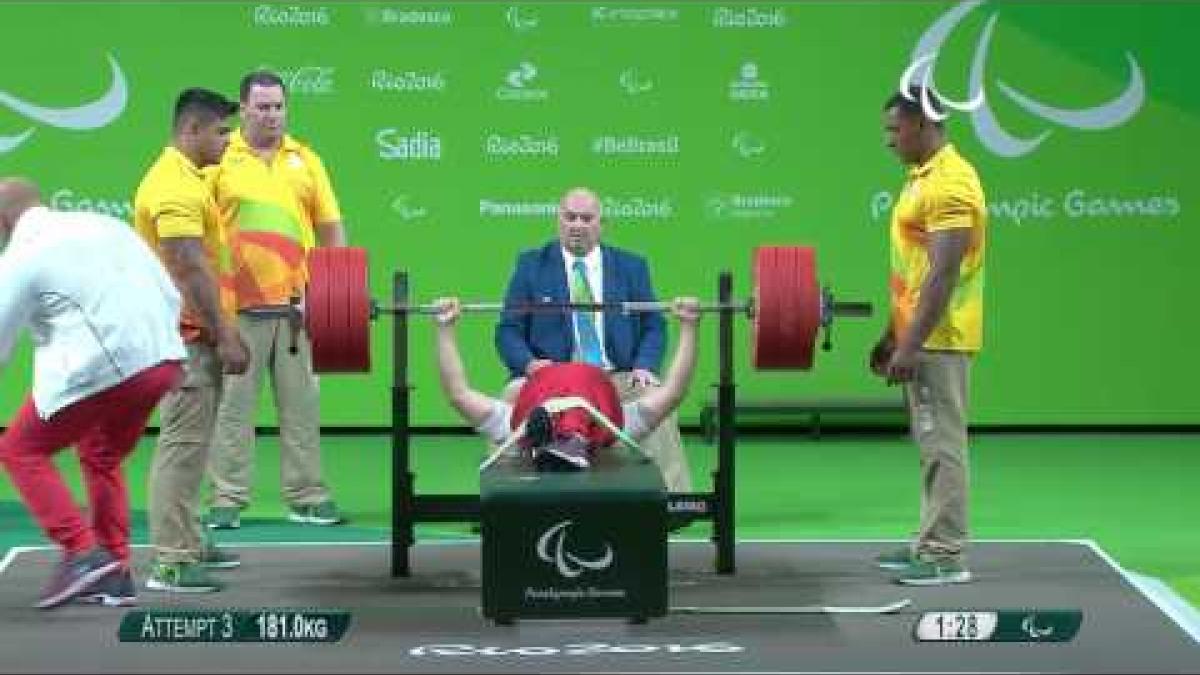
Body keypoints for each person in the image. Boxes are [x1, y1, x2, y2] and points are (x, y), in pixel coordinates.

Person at [0, 178, 186, 609]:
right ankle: (114, 574)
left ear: (4, 219)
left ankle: (84, 555)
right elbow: (165, 285)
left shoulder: (20, 256)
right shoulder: (105, 225)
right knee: (100, 452)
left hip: (109, 366)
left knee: (18, 450)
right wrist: (172, 355)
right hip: (161, 359)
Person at [205, 69, 347, 529]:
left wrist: (333, 294)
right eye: (262, 107)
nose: (272, 116)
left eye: (278, 107)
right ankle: (227, 499)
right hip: (237, 310)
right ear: (243, 108)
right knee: (232, 410)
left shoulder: (306, 159)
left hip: (297, 309)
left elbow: (330, 228)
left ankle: (307, 496)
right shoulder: (220, 160)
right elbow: (201, 232)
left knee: (302, 407)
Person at [494, 188, 693, 490]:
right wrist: (530, 364)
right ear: (557, 219)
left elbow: (654, 323)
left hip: (616, 378)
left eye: (586, 218)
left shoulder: (631, 266)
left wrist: (644, 366)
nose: (577, 225)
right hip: (551, 380)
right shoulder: (530, 265)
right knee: (511, 396)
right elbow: (508, 329)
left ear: (602, 223)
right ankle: (504, 500)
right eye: (569, 217)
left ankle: (672, 500)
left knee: (658, 400)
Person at [133, 88, 250, 594]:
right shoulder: (173, 186)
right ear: (191, 131)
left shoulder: (188, 179)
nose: (230, 139)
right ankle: (171, 561)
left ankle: (189, 539)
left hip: (193, 332)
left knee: (193, 444)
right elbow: (187, 264)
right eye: (222, 131)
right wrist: (225, 333)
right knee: (182, 447)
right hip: (185, 338)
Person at [870, 86, 987, 586]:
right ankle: (929, 539)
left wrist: (912, 344)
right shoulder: (921, 178)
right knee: (930, 443)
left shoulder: (952, 183)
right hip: (921, 333)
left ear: (923, 125)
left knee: (944, 444)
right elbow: (915, 271)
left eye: (895, 130)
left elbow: (943, 274)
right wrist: (892, 333)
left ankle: (946, 554)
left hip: (940, 338)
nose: (889, 141)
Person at [439, 296, 699, 467]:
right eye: (569, 442)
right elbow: (674, 391)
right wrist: (689, 327)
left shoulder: (514, 429)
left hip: (537, 393)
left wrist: (445, 329)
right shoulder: (616, 430)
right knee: (655, 396)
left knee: (511, 399)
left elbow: (458, 394)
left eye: (559, 442)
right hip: (594, 391)